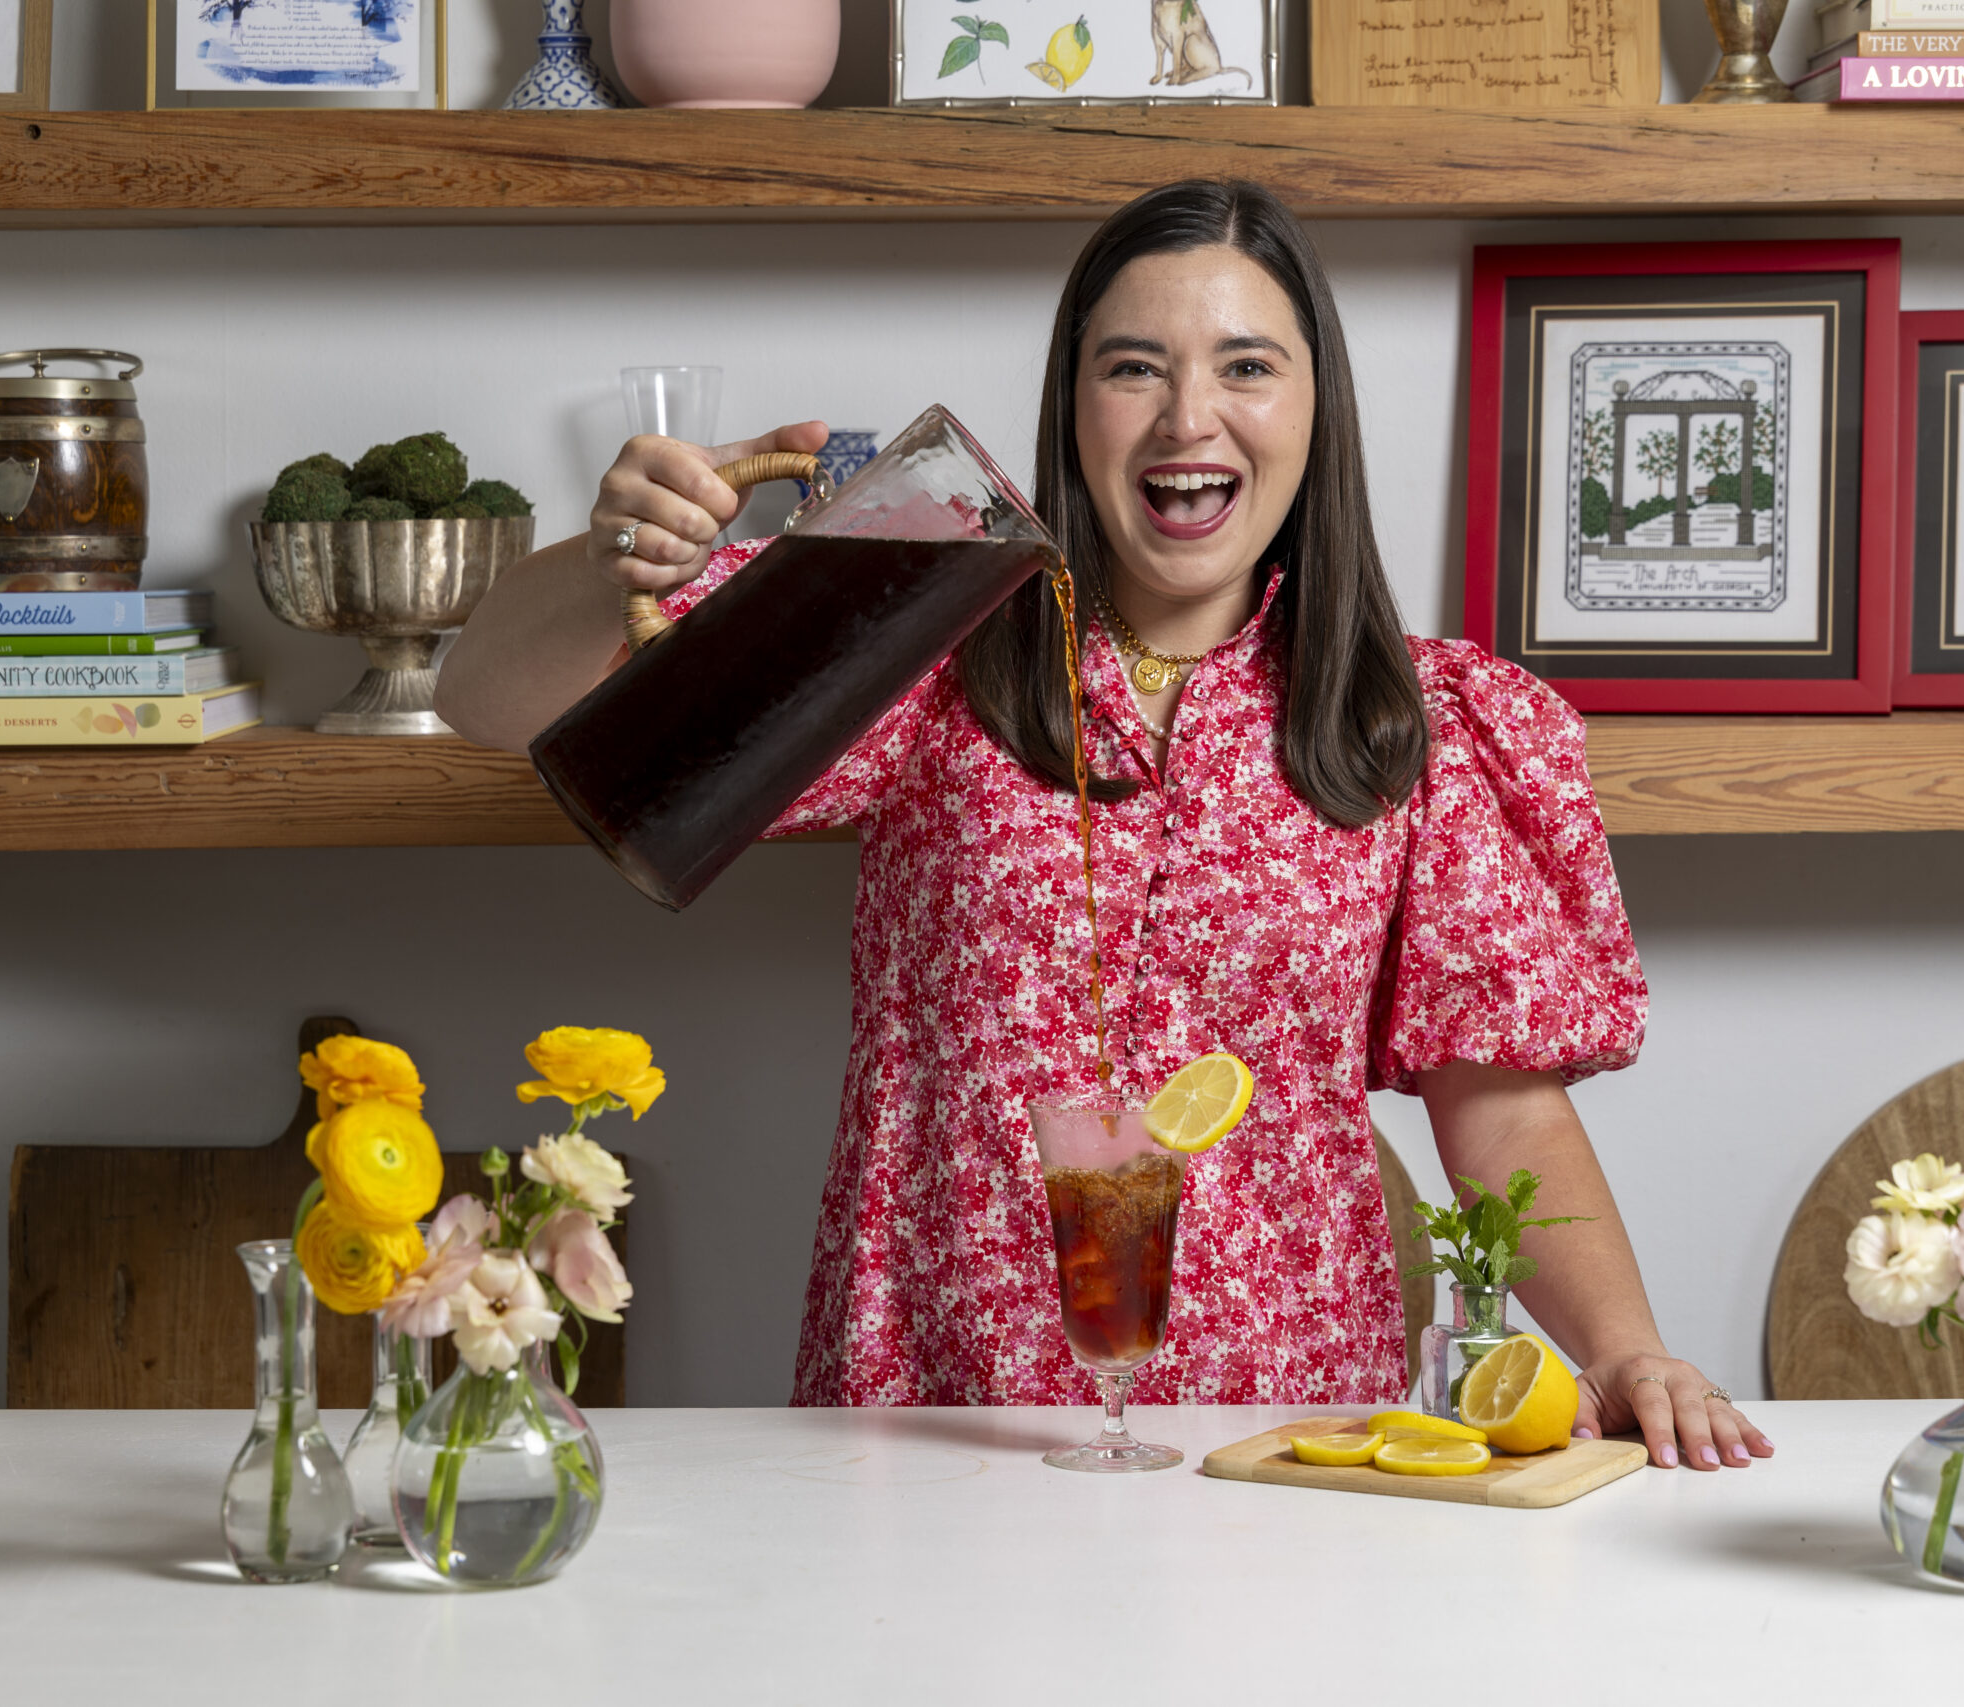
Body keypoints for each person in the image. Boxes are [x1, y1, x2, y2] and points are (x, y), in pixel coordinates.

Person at [439, 180, 1771, 1472]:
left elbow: (1509, 1121)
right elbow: (487, 696)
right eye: (1134, 368)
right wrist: (620, 555)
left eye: (1248, 367)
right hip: (928, 1422)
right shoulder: (917, 637)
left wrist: (1631, 1352)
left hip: (1276, 1445)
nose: (1190, 417)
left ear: (1318, 410)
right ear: (1072, 408)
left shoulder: (1406, 726)